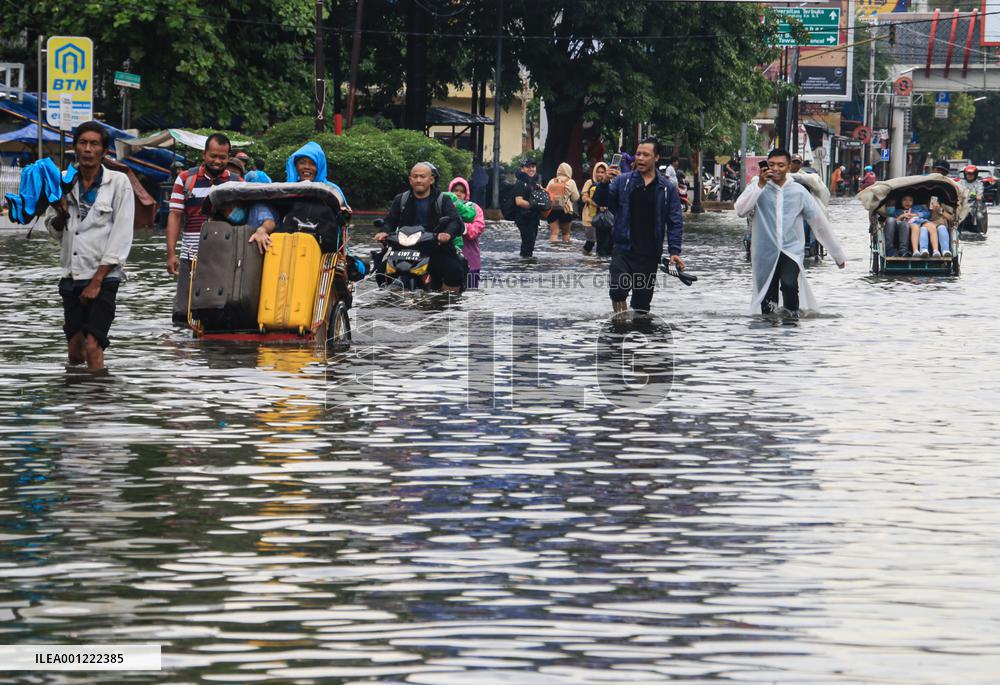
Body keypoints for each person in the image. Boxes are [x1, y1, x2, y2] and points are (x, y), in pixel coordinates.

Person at [44, 121, 134, 371]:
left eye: (94, 144)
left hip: (105, 277)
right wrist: (61, 216)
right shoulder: (63, 182)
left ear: (104, 151)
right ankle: (74, 403)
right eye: (83, 143)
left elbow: (121, 235)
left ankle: (96, 406)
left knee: (94, 345)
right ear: (75, 148)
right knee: (74, 350)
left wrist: (97, 282)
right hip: (72, 274)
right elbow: (53, 229)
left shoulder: (118, 183)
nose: (87, 149)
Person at [735, 148, 846, 316]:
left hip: (790, 251)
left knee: (789, 284)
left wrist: (837, 255)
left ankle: (791, 325)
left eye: (781, 165)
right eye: (772, 164)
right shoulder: (757, 186)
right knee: (768, 300)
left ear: (789, 167)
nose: (776, 169)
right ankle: (768, 334)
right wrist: (760, 186)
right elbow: (741, 210)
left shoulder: (799, 191)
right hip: (765, 252)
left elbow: (819, 223)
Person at [166, 133, 241, 323]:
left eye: (222, 157)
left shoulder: (237, 183)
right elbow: (174, 216)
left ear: (228, 157)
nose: (217, 161)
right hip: (190, 256)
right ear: (204, 154)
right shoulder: (184, 179)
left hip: (224, 256)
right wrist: (171, 253)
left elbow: (243, 220)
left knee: (219, 312)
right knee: (182, 313)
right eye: (213, 156)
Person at [605, 137, 685, 315]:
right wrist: (603, 184)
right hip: (623, 250)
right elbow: (605, 204)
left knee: (641, 308)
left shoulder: (667, 189)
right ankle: (618, 325)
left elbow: (675, 221)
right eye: (638, 154)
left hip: (649, 254)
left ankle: (636, 336)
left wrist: (674, 252)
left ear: (656, 158)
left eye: (645, 155)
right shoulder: (622, 182)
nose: (640, 158)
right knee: (618, 290)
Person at [375, 162, 464, 293]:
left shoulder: (443, 200)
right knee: (381, 272)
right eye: (415, 177)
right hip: (404, 248)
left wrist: (447, 234)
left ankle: (446, 303)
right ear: (410, 180)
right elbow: (391, 220)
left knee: (454, 271)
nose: (418, 180)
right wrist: (383, 232)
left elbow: (455, 221)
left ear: (431, 179)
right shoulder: (401, 200)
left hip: (436, 248)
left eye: (422, 177)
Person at [248, 141, 349, 254]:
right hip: (289, 247)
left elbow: (343, 223)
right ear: (296, 166)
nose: (307, 167)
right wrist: (262, 230)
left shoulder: (331, 190)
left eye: (312, 163)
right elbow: (274, 213)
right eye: (302, 163)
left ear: (319, 166)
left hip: (324, 248)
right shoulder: (287, 190)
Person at [448, 176, 485, 289]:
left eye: (462, 191)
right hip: (448, 259)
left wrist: (461, 227)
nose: (459, 194)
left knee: (471, 291)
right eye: (456, 191)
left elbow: (478, 227)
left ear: (467, 193)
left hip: (470, 259)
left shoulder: (474, 208)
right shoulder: (443, 206)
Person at [513, 159, 543, 259]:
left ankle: (525, 264)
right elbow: (519, 201)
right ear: (523, 169)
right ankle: (525, 266)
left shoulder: (534, 183)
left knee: (530, 244)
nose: (531, 169)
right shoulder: (520, 183)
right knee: (528, 244)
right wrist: (533, 205)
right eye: (528, 167)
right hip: (523, 218)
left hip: (533, 218)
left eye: (533, 166)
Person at [545, 162, 580, 245]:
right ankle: (565, 252)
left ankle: (553, 252)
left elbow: (546, 194)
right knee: (566, 234)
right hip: (566, 210)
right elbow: (576, 197)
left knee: (554, 233)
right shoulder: (571, 182)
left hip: (552, 210)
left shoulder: (552, 181)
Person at [581, 162, 608, 255]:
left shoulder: (610, 183)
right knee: (591, 241)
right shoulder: (589, 182)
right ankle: (585, 260)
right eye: (598, 172)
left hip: (604, 219)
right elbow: (584, 197)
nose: (600, 174)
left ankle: (598, 263)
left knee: (603, 243)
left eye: (603, 172)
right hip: (590, 217)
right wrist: (596, 204)